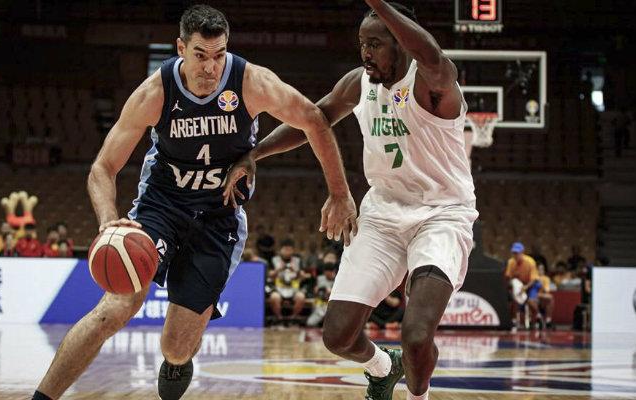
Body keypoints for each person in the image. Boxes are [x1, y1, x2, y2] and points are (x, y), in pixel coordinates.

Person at [32, 5, 356, 400]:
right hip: (162, 205)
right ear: (181, 49)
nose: (211, 67)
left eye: (219, 55)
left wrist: (339, 192)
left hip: (219, 217)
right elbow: (102, 167)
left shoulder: (251, 82)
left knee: (176, 347)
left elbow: (314, 119)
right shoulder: (155, 93)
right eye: (201, 55)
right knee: (113, 309)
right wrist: (107, 221)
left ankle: (177, 360)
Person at [224, 2, 478, 398]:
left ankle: (418, 395)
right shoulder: (359, 83)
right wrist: (255, 154)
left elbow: (430, 53)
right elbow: (314, 120)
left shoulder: (432, 81)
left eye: (375, 44)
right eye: (362, 43)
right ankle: (383, 366)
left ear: (401, 43)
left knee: (416, 335)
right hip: (383, 211)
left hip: (441, 214)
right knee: (338, 335)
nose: (365, 53)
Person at [268, 239, 309, 324]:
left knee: (301, 297)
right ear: (281, 250)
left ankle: (292, 318)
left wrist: (295, 270)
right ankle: (279, 319)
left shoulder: (297, 260)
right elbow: (270, 275)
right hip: (279, 289)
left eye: (290, 250)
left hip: (294, 289)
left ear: (293, 250)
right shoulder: (274, 260)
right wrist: (279, 269)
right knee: (274, 297)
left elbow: (304, 276)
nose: (287, 252)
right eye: (285, 249)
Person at [504, 242, 539, 331]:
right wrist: (512, 287)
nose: (515, 255)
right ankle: (514, 321)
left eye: (517, 253)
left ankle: (535, 320)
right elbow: (508, 277)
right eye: (514, 253)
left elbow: (534, 279)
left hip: (531, 284)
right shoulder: (511, 262)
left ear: (522, 252)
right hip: (518, 286)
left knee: (531, 302)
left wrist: (525, 287)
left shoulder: (530, 262)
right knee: (513, 301)